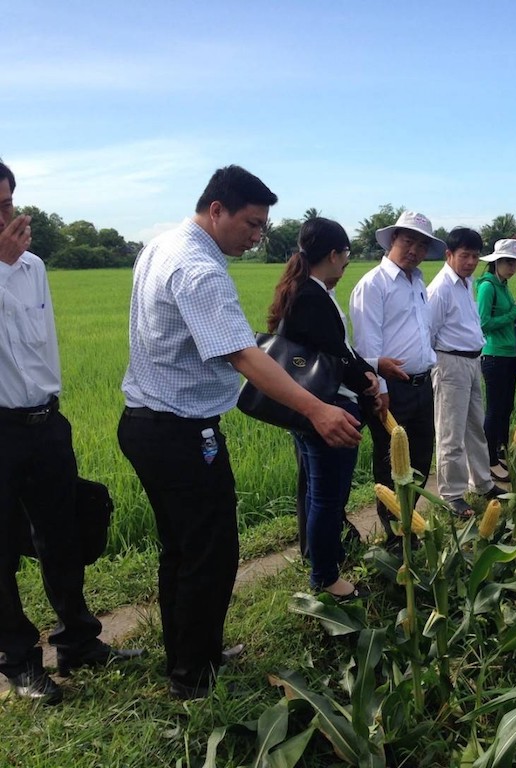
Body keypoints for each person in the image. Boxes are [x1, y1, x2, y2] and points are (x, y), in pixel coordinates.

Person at [118, 166, 362, 699]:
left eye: (262, 226)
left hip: (150, 424)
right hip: (178, 430)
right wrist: (317, 410)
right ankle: (193, 677)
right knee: (211, 553)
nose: (257, 237)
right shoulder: (199, 267)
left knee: (182, 551)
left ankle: (193, 653)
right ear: (217, 211)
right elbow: (245, 356)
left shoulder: (162, 244)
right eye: (251, 224)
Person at [0, 161, 141, 705]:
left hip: (44, 421)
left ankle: (78, 641)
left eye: (10, 201)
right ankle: (18, 660)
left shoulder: (33, 267)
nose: (9, 215)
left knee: (61, 534)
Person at [267, 218, 379, 601]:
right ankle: (326, 577)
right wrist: (368, 383)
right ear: (333, 255)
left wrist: (366, 369)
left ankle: (325, 564)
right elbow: (337, 356)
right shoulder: (312, 296)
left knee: (320, 494)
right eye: (346, 255)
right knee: (328, 498)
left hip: (316, 407)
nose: (346, 263)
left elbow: (341, 351)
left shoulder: (306, 290)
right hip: (328, 411)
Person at [349, 211, 443, 544]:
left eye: (421, 244)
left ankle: (409, 523)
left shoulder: (417, 281)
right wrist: (381, 389)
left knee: (420, 456)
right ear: (392, 241)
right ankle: (393, 534)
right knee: (392, 463)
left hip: (422, 384)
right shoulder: (373, 285)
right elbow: (366, 345)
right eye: (407, 241)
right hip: (393, 390)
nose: (414, 250)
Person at [427, 228, 502, 516]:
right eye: (464, 256)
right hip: (450, 363)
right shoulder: (440, 289)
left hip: (472, 361)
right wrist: (440, 367)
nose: (471, 262)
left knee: (475, 427)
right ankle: (453, 494)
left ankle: (482, 482)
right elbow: (429, 333)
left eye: (474, 256)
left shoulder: (466, 282)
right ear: (449, 255)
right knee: (451, 432)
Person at [477, 239, 516, 481]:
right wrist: (515, 312)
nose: (512, 268)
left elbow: (507, 318)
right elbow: (484, 324)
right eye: (509, 262)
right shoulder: (487, 287)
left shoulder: (503, 285)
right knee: (495, 409)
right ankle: (489, 460)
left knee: (506, 408)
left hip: (509, 354)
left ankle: (500, 454)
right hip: (494, 355)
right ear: (496, 262)